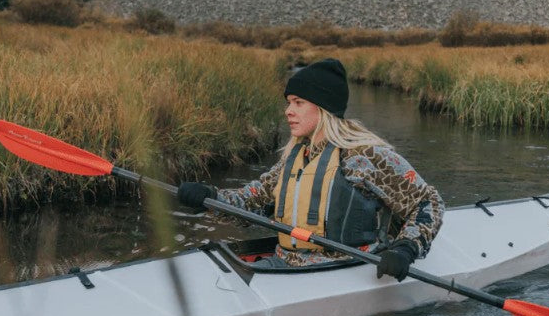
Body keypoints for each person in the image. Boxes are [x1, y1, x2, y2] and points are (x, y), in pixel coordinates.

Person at [177, 58, 444, 279]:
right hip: (283, 264)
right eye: (288, 102)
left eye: (298, 102)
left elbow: (427, 202)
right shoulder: (296, 154)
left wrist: (405, 249)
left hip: (344, 270)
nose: (288, 111)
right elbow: (250, 203)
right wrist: (210, 198)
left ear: (323, 108)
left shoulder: (366, 155)